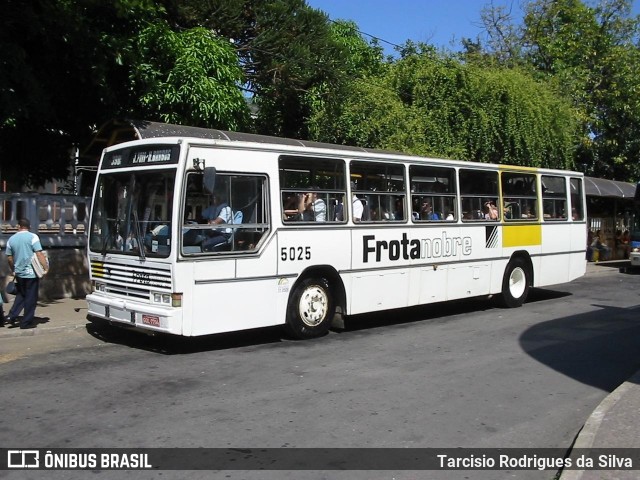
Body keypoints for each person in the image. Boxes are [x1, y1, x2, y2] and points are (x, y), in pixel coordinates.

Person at [4, 218, 49, 329]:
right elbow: (39, 254)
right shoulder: (33, 237)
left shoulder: (11, 239)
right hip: (31, 273)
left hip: (19, 272)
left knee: (21, 294)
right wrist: (45, 268)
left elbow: (9, 258)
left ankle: (12, 315)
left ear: (19, 226)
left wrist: (13, 269)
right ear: (29, 227)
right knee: (30, 297)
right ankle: (26, 322)